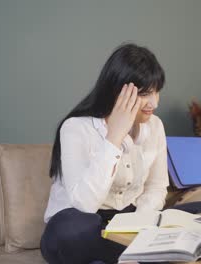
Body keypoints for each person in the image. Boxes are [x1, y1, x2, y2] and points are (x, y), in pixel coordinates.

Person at [40, 43, 169, 264]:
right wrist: (115, 137)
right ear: (119, 91)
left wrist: (140, 221)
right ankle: (143, 253)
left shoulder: (155, 127)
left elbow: (157, 187)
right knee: (74, 229)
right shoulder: (75, 128)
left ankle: (126, 253)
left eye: (156, 91)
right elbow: (84, 205)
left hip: (127, 220)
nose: (154, 102)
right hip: (80, 222)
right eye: (145, 93)